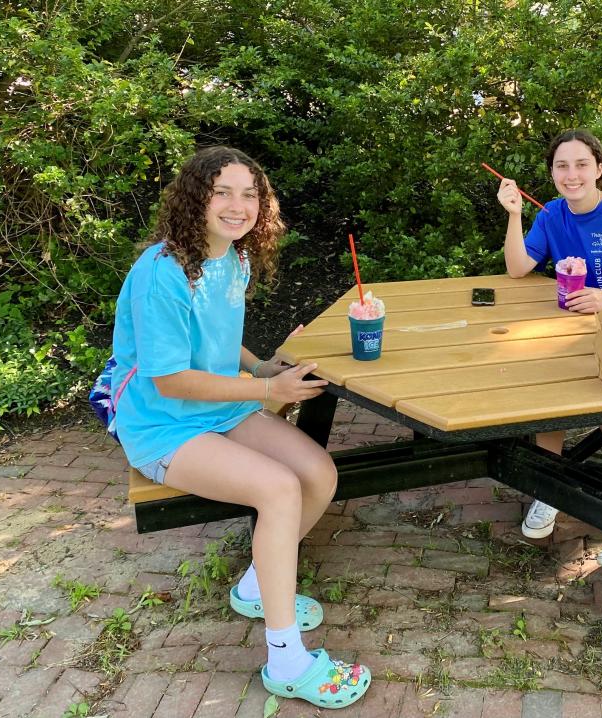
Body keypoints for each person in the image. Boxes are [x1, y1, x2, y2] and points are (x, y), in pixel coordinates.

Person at [111, 146, 371, 708]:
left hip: (220, 409)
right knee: (278, 489)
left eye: (249, 193)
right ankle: (287, 661)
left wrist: (257, 367)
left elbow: (218, 341)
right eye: (222, 192)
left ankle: (257, 584)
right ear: (194, 198)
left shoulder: (233, 256)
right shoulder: (162, 271)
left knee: (318, 474)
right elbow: (172, 380)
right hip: (163, 428)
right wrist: (265, 391)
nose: (238, 205)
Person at [495, 128, 602, 565]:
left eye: (581, 165)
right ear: (552, 172)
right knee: (552, 392)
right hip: (576, 330)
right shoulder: (552, 214)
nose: (571, 175)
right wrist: (514, 215)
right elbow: (518, 268)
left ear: (599, 169)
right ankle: (549, 491)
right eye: (561, 166)